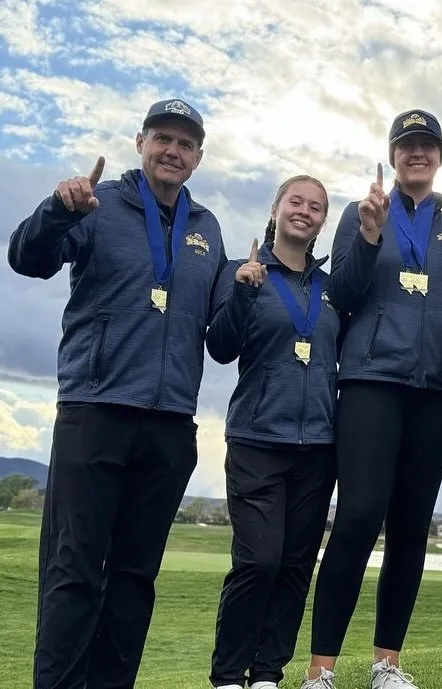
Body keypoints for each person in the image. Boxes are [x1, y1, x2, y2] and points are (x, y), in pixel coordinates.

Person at [7, 99, 224, 689]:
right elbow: (26, 258)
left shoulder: (206, 228)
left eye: (185, 143)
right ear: (140, 142)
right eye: (163, 138)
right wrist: (57, 210)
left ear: (198, 157)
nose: (173, 151)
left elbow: (222, 325)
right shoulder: (96, 205)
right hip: (95, 411)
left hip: (172, 423)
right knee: (74, 572)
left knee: (133, 580)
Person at [299, 110, 442, 689]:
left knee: (410, 526)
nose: (416, 154)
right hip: (373, 381)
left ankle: (386, 665)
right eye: (407, 146)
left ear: (440, 154)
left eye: (427, 145)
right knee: (356, 518)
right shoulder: (361, 211)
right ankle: (321, 667)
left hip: (440, 391)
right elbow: (343, 294)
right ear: (393, 155)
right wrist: (371, 237)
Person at [205, 175, 341, 689]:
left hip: (318, 446)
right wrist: (241, 294)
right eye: (296, 202)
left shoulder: (331, 290)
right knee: (258, 561)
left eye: (316, 206)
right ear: (277, 208)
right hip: (257, 439)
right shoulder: (243, 272)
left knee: (294, 565)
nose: (305, 211)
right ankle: (226, 675)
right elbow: (219, 347)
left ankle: (267, 673)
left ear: (323, 220)